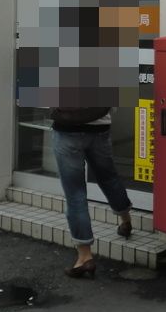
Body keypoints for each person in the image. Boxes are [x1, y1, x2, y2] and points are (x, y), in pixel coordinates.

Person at [50, 105, 133, 279]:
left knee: (75, 194)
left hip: (66, 131)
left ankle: (85, 257)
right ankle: (126, 221)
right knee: (109, 178)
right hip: (100, 130)